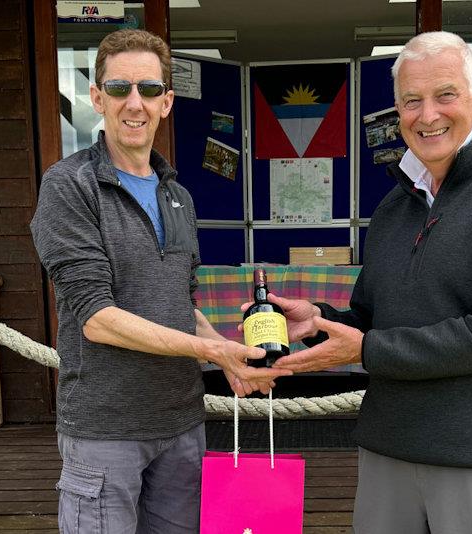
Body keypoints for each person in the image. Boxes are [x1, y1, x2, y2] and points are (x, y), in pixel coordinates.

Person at [262, 32, 472, 533]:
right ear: (397, 110)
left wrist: (365, 349)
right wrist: (321, 321)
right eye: (411, 101)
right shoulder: (393, 205)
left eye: (444, 94)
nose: (427, 115)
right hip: (389, 449)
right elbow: (369, 319)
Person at [30, 29, 289, 534]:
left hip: (182, 426)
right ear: (96, 97)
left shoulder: (179, 197)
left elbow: (178, 301)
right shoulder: (69, 186)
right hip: (107, 430)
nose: (135, 103)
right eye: (120, 87)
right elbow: (97, 320)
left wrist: (226, 351)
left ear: (166, 102)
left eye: (148, 89)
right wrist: (213, 353)